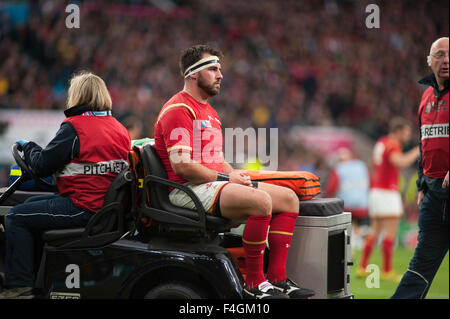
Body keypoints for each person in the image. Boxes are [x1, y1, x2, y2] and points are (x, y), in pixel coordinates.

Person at [154, 44, 314, 299]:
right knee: (261, 201)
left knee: (288, 199)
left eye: (220, 69)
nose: (220, 75)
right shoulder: (179, 109)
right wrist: (227, 178)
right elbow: (182, 166)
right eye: (213, 68)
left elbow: (217, 161)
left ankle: (277, 278)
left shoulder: (210, 112)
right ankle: (254, 284)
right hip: (186, 190)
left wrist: (234, 174)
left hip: (210, 185)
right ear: (193, 74)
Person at [0, 71, 131, 299]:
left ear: (77, 95)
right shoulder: (118, 128)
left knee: (15, 216)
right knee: (32, 205)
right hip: (104, 210)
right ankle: (38, 283)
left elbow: (41, 165)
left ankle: (18, 286)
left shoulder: (75, 127)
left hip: (83, 209)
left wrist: (28, 146)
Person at [392, 37, 449, 299]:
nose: (446, 60)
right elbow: (423, 142)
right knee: (421, 266)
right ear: (430, 60)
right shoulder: (426, 95)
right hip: (434, 194)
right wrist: (421, 184)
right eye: (439, 54)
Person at [357, 117, 420, 282]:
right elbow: (399, 162)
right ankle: (387, 270)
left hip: (376, 190)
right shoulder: (393, 145)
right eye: (406, 132)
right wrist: (416, 151)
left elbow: (375, 163)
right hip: (387, 192)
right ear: (398, 131)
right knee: (390, 231)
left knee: (375, 230)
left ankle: (362, 267)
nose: (408, 136)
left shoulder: (381, 142)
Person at [326, 147, 370, 251]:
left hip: (346, 206)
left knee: (346, 229)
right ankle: (361, 242)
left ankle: (351, 250)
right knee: (357, 228)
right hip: (362, 205)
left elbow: (331, 188)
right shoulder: (361, 166)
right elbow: (369, 182)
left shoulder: (340, 168)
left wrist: (327, 197)